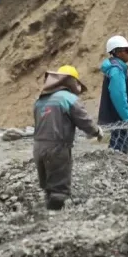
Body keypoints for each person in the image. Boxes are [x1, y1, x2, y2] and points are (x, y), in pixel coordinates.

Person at [33, 65, 102, 210]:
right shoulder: (69, 98)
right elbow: (84, 120)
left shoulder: (40, 99)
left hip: (38, 147)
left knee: (48, 186)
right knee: (59, 190)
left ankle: (46, 214)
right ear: (71, 82)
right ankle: (55, 218)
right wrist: (96, 131)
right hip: (58, 148)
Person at [98, 35, 128, 153]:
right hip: (120, 120)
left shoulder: (116, 68)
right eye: (127, 50)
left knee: (118, 147)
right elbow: (119, 97)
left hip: (118, 119)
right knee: (119, 149)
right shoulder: (116, 70)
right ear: (118, 52)